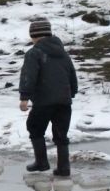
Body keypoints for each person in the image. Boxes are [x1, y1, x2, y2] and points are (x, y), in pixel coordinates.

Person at [19, 19, 78, 177]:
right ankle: (64, 168)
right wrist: (71, 92)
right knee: (61, 135)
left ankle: (41, 162)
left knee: (35, 128)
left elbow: (28, 76)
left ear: (34, 36)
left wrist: (24, 97)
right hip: (64, 101)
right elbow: (72, 74)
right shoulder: (63, 53)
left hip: (44, 101)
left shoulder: (34, 53)